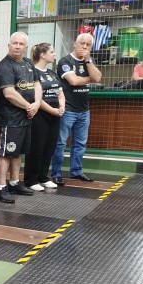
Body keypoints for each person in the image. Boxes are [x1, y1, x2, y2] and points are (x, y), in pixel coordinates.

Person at [0, 32, 41, 203]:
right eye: (14, 43)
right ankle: (1, 187)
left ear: (26, 47)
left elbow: (37, 84)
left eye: (21, 44)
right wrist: (29, 106)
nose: (17, 46)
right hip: (10, 118)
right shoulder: (4, 66)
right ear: (9, 45)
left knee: (18, 151)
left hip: (26, 117)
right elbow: (9, 93)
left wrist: (37, 103)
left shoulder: (28, 63)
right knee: (6, 152)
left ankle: (14, 182)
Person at [51, 33, 102, 184]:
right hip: (67, 109)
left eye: (88, 45)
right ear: (75, 44)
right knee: (60, 143)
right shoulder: (65, 61)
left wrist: (88, 60)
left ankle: (76, 172)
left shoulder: (88, 62)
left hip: (84, 110)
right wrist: (89, 78)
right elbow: (73, 81)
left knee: (80, 144)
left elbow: (97, 77)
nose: (84, 47)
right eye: (82, 43)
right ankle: (56, 173)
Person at [24, 42, 65, 191]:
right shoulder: (32, 72)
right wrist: (52, 110)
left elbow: (60, 93)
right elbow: (36, 98)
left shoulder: (51, 73)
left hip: (55, 116)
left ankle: (43, 177)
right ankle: (31, 179)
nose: (54, 54)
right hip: (40, 115)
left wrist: (62, 107)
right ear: (42, 55)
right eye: (52, 52)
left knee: (50, 146)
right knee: (37, 146)